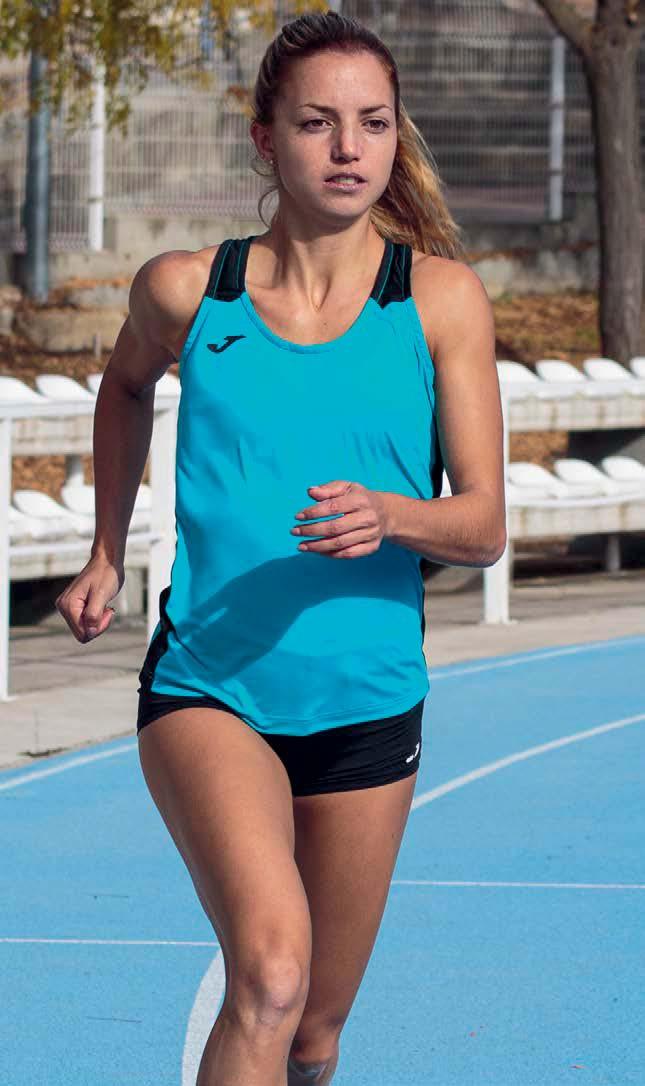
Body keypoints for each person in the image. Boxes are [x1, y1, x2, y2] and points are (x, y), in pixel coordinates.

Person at [56, 10, 505, 1085]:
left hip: (367, 705)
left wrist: (394, 514)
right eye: (317, 123)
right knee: (267, 977)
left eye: (373, 123)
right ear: (265, 139)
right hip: (210, 690)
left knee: (312, 1035)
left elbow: (485, 524)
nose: (348, 148)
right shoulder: (187, 289)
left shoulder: (439, 301)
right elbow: (123, 389)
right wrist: (107, 549)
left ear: (395, 136)